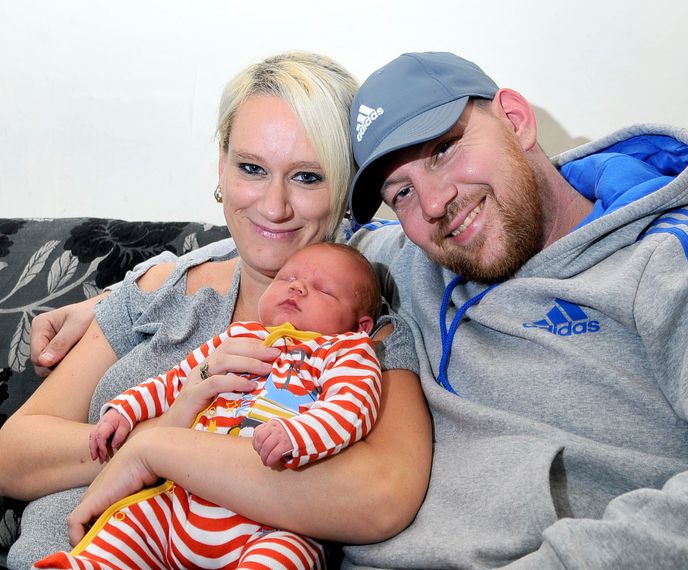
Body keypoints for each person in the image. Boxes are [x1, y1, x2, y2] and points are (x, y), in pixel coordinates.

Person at [33, 50, 688, 569]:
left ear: (515, 118)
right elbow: (279, 237)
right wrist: (121, 290)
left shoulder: (674, 258)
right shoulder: (413, 256)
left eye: (447, 151)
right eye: (402, 191)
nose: (437, 203)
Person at [0, 51, 431, 569]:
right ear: (222, 162)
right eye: (252, 168)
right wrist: (165, 424)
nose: (274, 207)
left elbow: (382, 495)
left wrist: (162, 453)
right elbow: (14, 451)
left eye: (308, 178)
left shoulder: (364, 335)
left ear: (346, 186)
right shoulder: (164, 287)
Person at [35, 242, 383, 569]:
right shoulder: (237, 337)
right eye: (287, 278)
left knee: (288, 554)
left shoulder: (345, 351)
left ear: (360, 325)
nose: (297, 288)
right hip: (185, 499)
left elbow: (351, 409)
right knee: (134, 521)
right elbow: (173, 382)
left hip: (271, 521)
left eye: (322, 289)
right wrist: (125, 410)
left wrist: (297, 435)